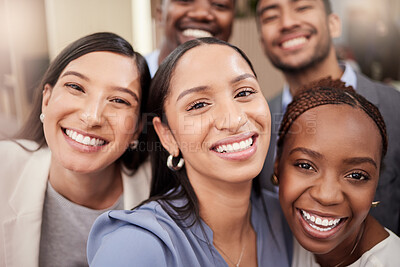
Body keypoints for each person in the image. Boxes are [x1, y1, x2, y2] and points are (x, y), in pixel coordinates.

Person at [87, 38, 292, 267]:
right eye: (198, 105)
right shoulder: (134, 246)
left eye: (244, 92)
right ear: (167, 136)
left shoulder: (290, 217)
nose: (234, 120)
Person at [0, 32, 151, 267]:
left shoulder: (163, 191)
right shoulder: (4, 169)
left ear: (137, 128)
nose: (92, 117)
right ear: (46, 100)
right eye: (76, 87)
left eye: (119, 101)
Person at [256, 0, 400, 235]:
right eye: (271, 17)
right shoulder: (258, 123)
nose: (287, 22)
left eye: (302, 8)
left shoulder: (396, 108)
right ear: (263, 42)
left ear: (334, 24)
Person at [274, 78, 400, 267]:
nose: (327, 196)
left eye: (356, 175)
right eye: (306, 166)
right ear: (277, 166)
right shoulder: (267, 224)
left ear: (376, 182)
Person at [145, 0, 235, 77]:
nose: (201, 13)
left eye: (219, 4)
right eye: (185, 0)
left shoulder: (245, 87)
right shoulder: (133, 81)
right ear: (160, 14)